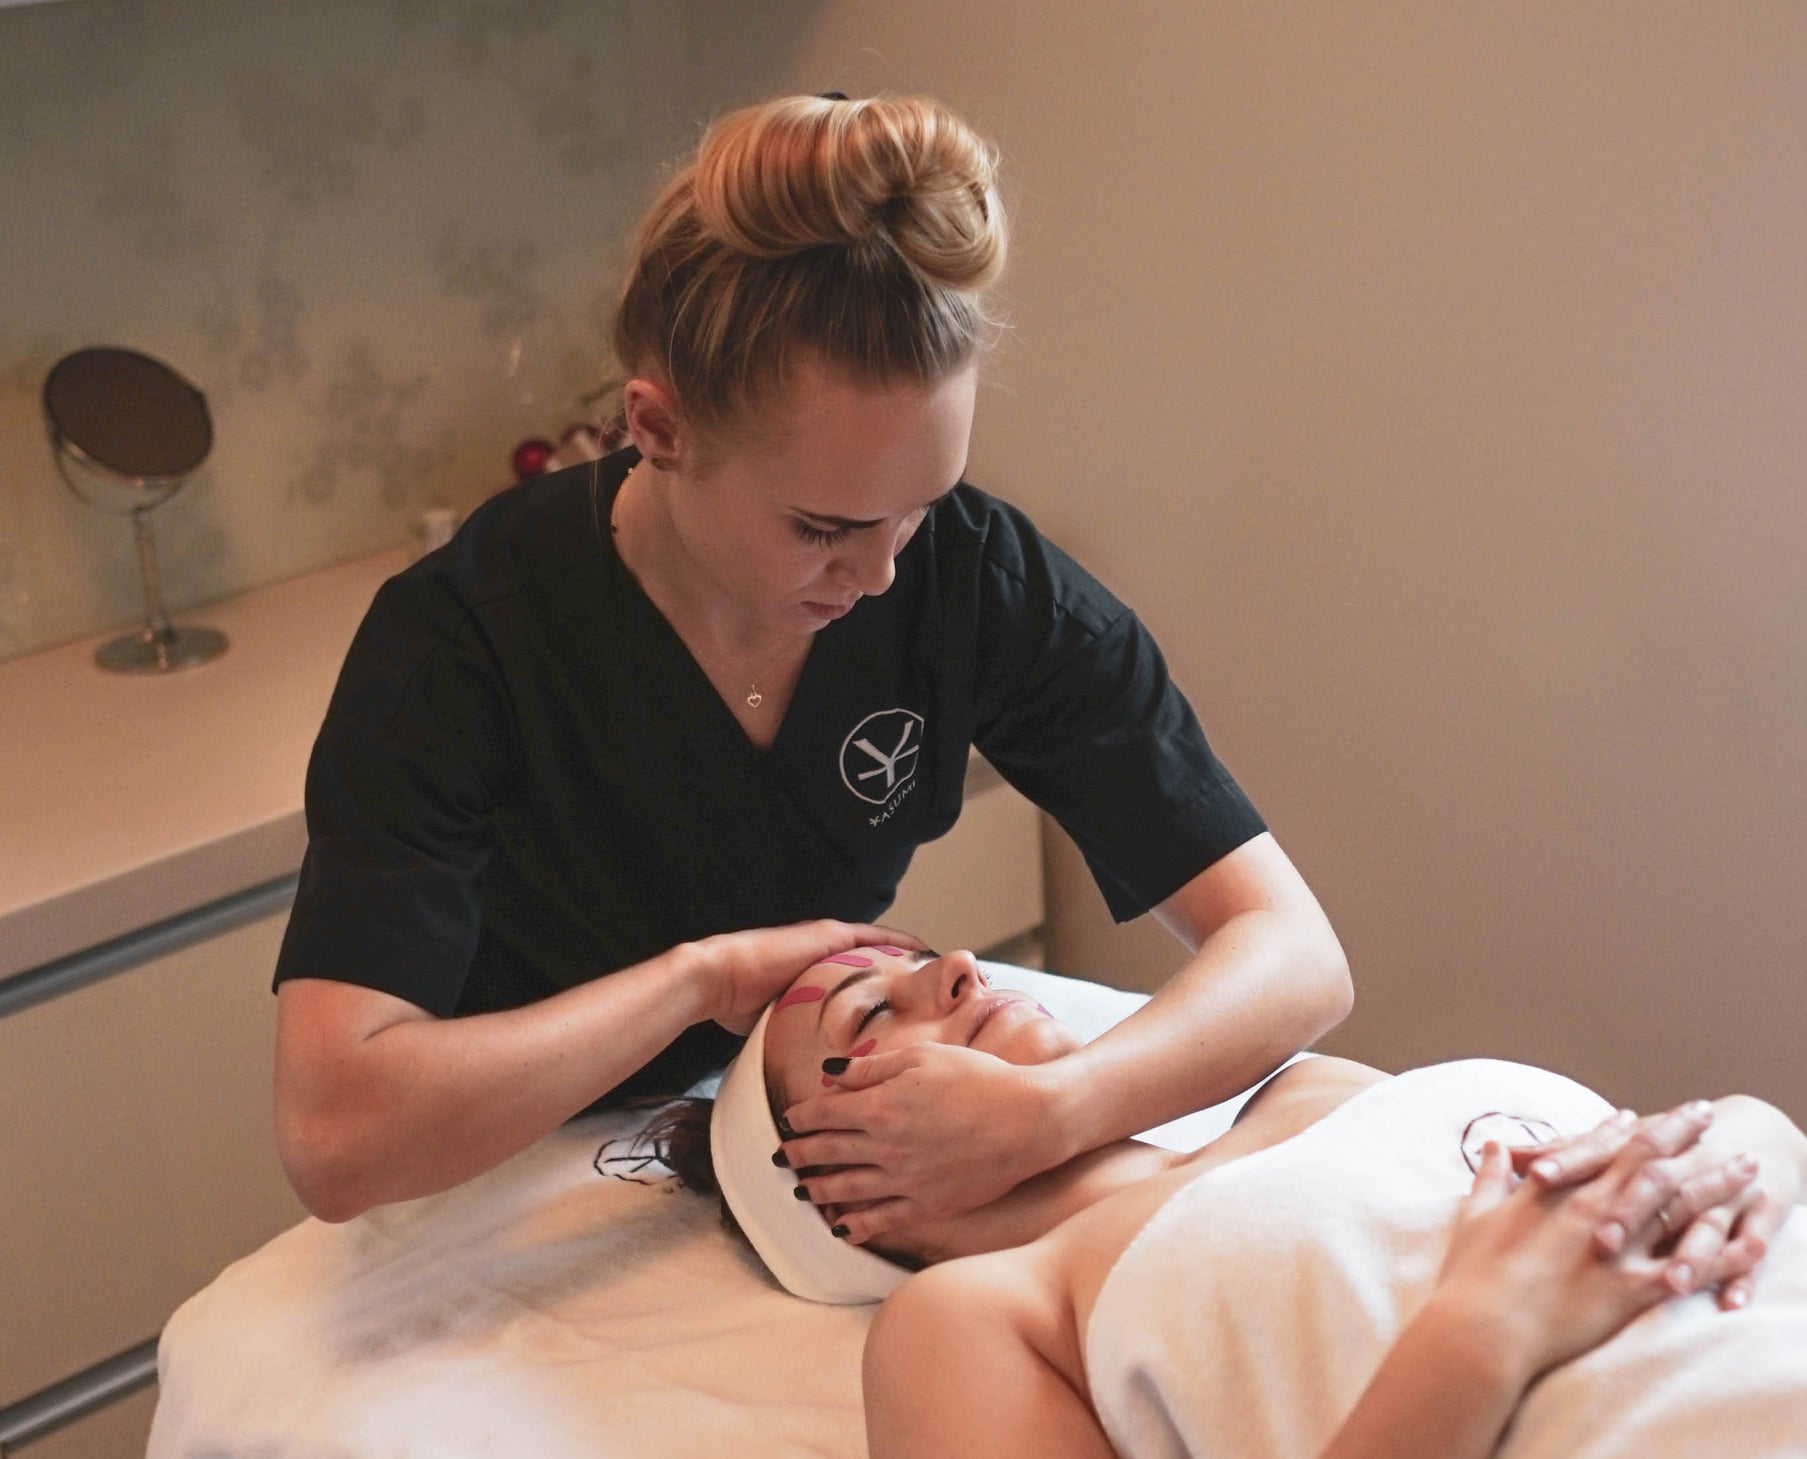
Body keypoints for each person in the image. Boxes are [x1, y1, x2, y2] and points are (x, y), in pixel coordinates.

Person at [269, 92, 1352, 1238]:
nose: (881, 575)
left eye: (917, 508)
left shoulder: (969, 575)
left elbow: (1294, 955)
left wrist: (1054, 1109)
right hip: (500, 1152)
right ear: (658, 429)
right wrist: (701, 979)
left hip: (785, 1124)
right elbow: (337, 1138)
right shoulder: (463, 646)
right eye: (822, 528)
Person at [663, 944, 1807, 1458]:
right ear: (831, 1198)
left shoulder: (1308, 1087)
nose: (952, 965)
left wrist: (1762, 1141)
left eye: (923, 955)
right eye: (869, 1013)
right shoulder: (981, 1316)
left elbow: (1784, 1235)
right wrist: (1478, 1336)